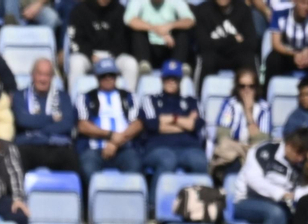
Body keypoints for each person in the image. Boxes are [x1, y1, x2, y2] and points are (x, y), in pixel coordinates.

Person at [138, 59, 207, 199]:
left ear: (180, 80)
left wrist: (169, 119)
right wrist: (184, 122)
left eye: (174, 79)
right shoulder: (150, 100)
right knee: (167, 159)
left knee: (199, 160)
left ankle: (201, 207)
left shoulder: (191, 101)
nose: (171, 81)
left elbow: (195, 125)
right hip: (157, 148)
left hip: (188, 148)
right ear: (162, 79)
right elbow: (152, 125)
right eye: (168, 78)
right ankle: (153, 207)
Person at [74, 58, 143, 181]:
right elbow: (83, 125)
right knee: (87, 168)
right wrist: (110, 135)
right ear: (97, 77)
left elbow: (137, 124)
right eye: (103, 75)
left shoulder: (129, 96)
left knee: (135, 167)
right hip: (94, 149)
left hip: (124, 148)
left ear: (116, 76)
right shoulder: (85, 97)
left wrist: (116, 142)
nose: (108, 78)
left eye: (111, 75)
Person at [12, 59, 80, 174]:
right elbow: (22, 120)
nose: (43, 79)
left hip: (56, 146)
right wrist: (51, 118)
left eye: (47, 75)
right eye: (40, 74)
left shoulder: (63, 97)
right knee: (16, 158)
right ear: (32, 75)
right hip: (28, 145)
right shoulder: (20, 96)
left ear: (52, 77)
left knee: (72, 159)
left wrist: (39, 130)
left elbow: (67, 124)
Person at [235, 131, 308, 224]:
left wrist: (295, 195)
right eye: (299, 153)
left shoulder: (302, 163)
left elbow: (303, 190)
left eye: (304, 155)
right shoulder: (266, 151)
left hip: (285, 204)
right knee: (276, 213)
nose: (300, 159)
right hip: (248, 200)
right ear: (290, 145)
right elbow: (253, 179)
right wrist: (281, 194)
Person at [210, 66, 270, 175]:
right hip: (233, 151)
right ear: (237, 87)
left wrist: (248, 113)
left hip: (252, 150)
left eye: (251, 86)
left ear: (256, 87)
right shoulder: (230, 104)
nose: (246, 90)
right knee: (230, 158)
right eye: (242, 86)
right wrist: (239, 148)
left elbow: (261, 140)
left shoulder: (264, 108)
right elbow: (222, 135)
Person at [67, 0, 139, 89]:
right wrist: (91, 56)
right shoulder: (79, 10)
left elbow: (123, 41)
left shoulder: (120, 10)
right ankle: (75, 100)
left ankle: (128, 99)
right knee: (76, 62)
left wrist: (111, 57)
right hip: (89, 56)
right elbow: (76, 39)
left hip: (113, 56)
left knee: (131, 64)